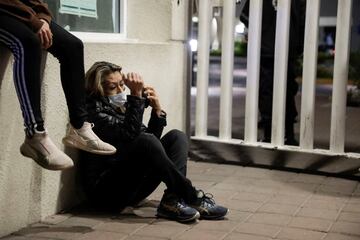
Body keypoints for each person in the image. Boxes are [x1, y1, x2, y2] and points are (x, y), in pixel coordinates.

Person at [79, 61, 229, 222]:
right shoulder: (93, 112)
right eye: (112, 88)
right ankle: (193, 196)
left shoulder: (119, 108)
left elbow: (151, 146)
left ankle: (171, 201)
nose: (121, 91)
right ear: (97, 90)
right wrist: (136, 98)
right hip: (106, 194)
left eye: (122, 85)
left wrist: (157, 112)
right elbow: (133, 136)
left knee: (177, 136)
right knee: (146, 140)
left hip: (132, 189)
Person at [0, 0, 116, 171]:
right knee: (28, 43)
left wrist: (42, 17)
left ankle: (78, 127)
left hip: (21, 11)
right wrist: (34, 21)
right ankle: (35, 135)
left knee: (73, 46)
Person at [239, 0, 305, 145]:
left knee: (266, 90)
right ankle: (288, 134)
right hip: (288, 45)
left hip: (265, 46)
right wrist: (298, 46)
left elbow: (246, 15)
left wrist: (258, 30)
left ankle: (269, 134)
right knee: (287, 90)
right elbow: (303, 21)